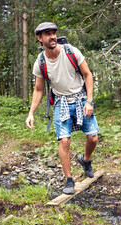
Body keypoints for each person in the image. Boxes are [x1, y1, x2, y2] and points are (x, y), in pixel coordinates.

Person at [25, 22, 99, 195]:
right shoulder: (40, 62)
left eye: (54, 33)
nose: (52, 36)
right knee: (64, 140)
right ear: (39, 38)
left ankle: (85, 160)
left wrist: (89, 101)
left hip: (81, 98)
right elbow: (38, 89)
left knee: (93, 138)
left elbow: (88, 75)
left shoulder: (71, 51)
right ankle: (69, 179)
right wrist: (31, 113)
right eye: (48, 34)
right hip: (61, 102)